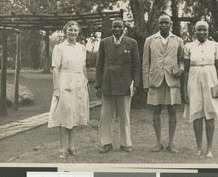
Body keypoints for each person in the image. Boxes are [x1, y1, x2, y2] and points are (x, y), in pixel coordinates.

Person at [95, 17, 141, 153]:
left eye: (119, 27)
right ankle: (106, 143)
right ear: (111, 28)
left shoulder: (131, 43)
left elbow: (136, 65)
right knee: (106, 116)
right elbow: (99, 65)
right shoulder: (104, 42)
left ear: (123, 28)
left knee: (124, 115)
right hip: (107, 84)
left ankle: (125, 144)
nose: (116, 29)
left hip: (124, 84)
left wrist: (136, 84)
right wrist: (98, 85)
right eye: (114, 27)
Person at [142, 13, 184, 153]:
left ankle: (171, 143)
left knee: (172, 111)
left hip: (172, 79)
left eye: (166, 22)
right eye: (161, 23)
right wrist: (146, 83)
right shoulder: (150, 40)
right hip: (155, 80)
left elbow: (182, 60)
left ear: (170, 24)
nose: (164, 25)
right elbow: (145, 63)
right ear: (157, 24)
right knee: (156, 110)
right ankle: (158, 143)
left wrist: (182, 69)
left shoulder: (178, 40)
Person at [48, 21, 89, 159]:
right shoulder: (59, 48)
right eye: (70, 30)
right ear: (65, 31)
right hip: (64, 81)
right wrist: (56, 89)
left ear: (78, 32)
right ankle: (62, 149)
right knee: (64, 115)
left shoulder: (82, 48)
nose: (73, 32)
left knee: (75, 114)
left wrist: (85, 81)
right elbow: (55, 69)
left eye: (75, 30)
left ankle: (72, 147)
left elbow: (83, 67)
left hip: (78, 83)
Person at [183, 20, 218, 158]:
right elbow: (186, 70)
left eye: (204, 30)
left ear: (208, 31)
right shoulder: (188, 46)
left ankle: (209, 148)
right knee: (196, 113)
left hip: (211, 79)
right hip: (193, 81)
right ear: (194, 31)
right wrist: (184, 89)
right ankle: (199, 147)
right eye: (199, 30)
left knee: (210, 113)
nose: (202, 32)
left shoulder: (215, 45)